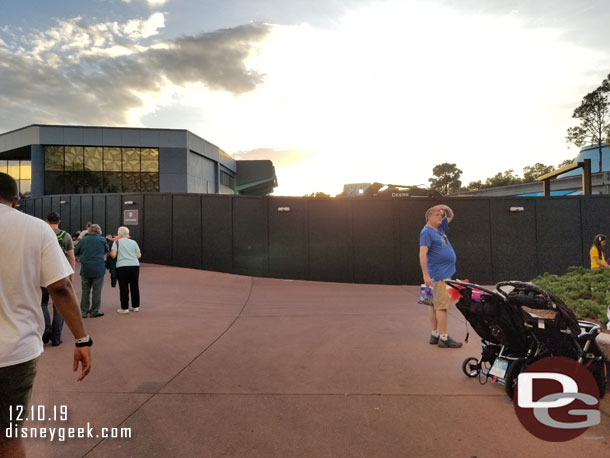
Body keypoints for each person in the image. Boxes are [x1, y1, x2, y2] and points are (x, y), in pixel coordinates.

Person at [0, 172, 92, 458]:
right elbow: (60, 287)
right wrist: (82, 340)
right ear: (16, 201)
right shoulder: (36, 228)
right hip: (15, 351)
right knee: (9, 438)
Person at [419, 204, 462, 348]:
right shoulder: (427, 232)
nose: (440, 216)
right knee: (441, 306)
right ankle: (444, 338)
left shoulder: (439, 229)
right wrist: (426, 275)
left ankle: (434, 334)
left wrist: (444, 207)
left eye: (440, 214)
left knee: (432, 304)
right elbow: (422, 253)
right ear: (429, 217)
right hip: (438, 275)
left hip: (434, 275)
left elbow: (450, 215)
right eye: (437, 215)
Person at [40, 212, 76, 346]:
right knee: (59, 305)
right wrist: (71, 273)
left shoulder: (41, 235)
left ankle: (46, 328)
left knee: (43, 303)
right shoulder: (65, 236)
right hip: (60, 274)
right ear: (59, 222)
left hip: (43, 274)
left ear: (46, 221)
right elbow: (71, 257)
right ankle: (56, 337)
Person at [74, 224, 109, 318]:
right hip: (99, 268)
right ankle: (94, 311)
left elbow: (75, 251)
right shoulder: (102, 240)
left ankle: (83, 312)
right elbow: (107, 250)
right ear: (99, 231)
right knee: (97, 291)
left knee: (85, 291)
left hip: (86, 268)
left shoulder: (83, 240)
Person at [111, 226, 142, 314]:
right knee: (134, 286)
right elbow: (139, 255)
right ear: (128, 233)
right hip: (134, 266)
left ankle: (124, 308)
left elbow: (113, 255)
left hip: (122, 266)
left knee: (124, 287)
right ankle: (136, 306)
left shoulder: (116, 242)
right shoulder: (134, 242)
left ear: (119, 234)